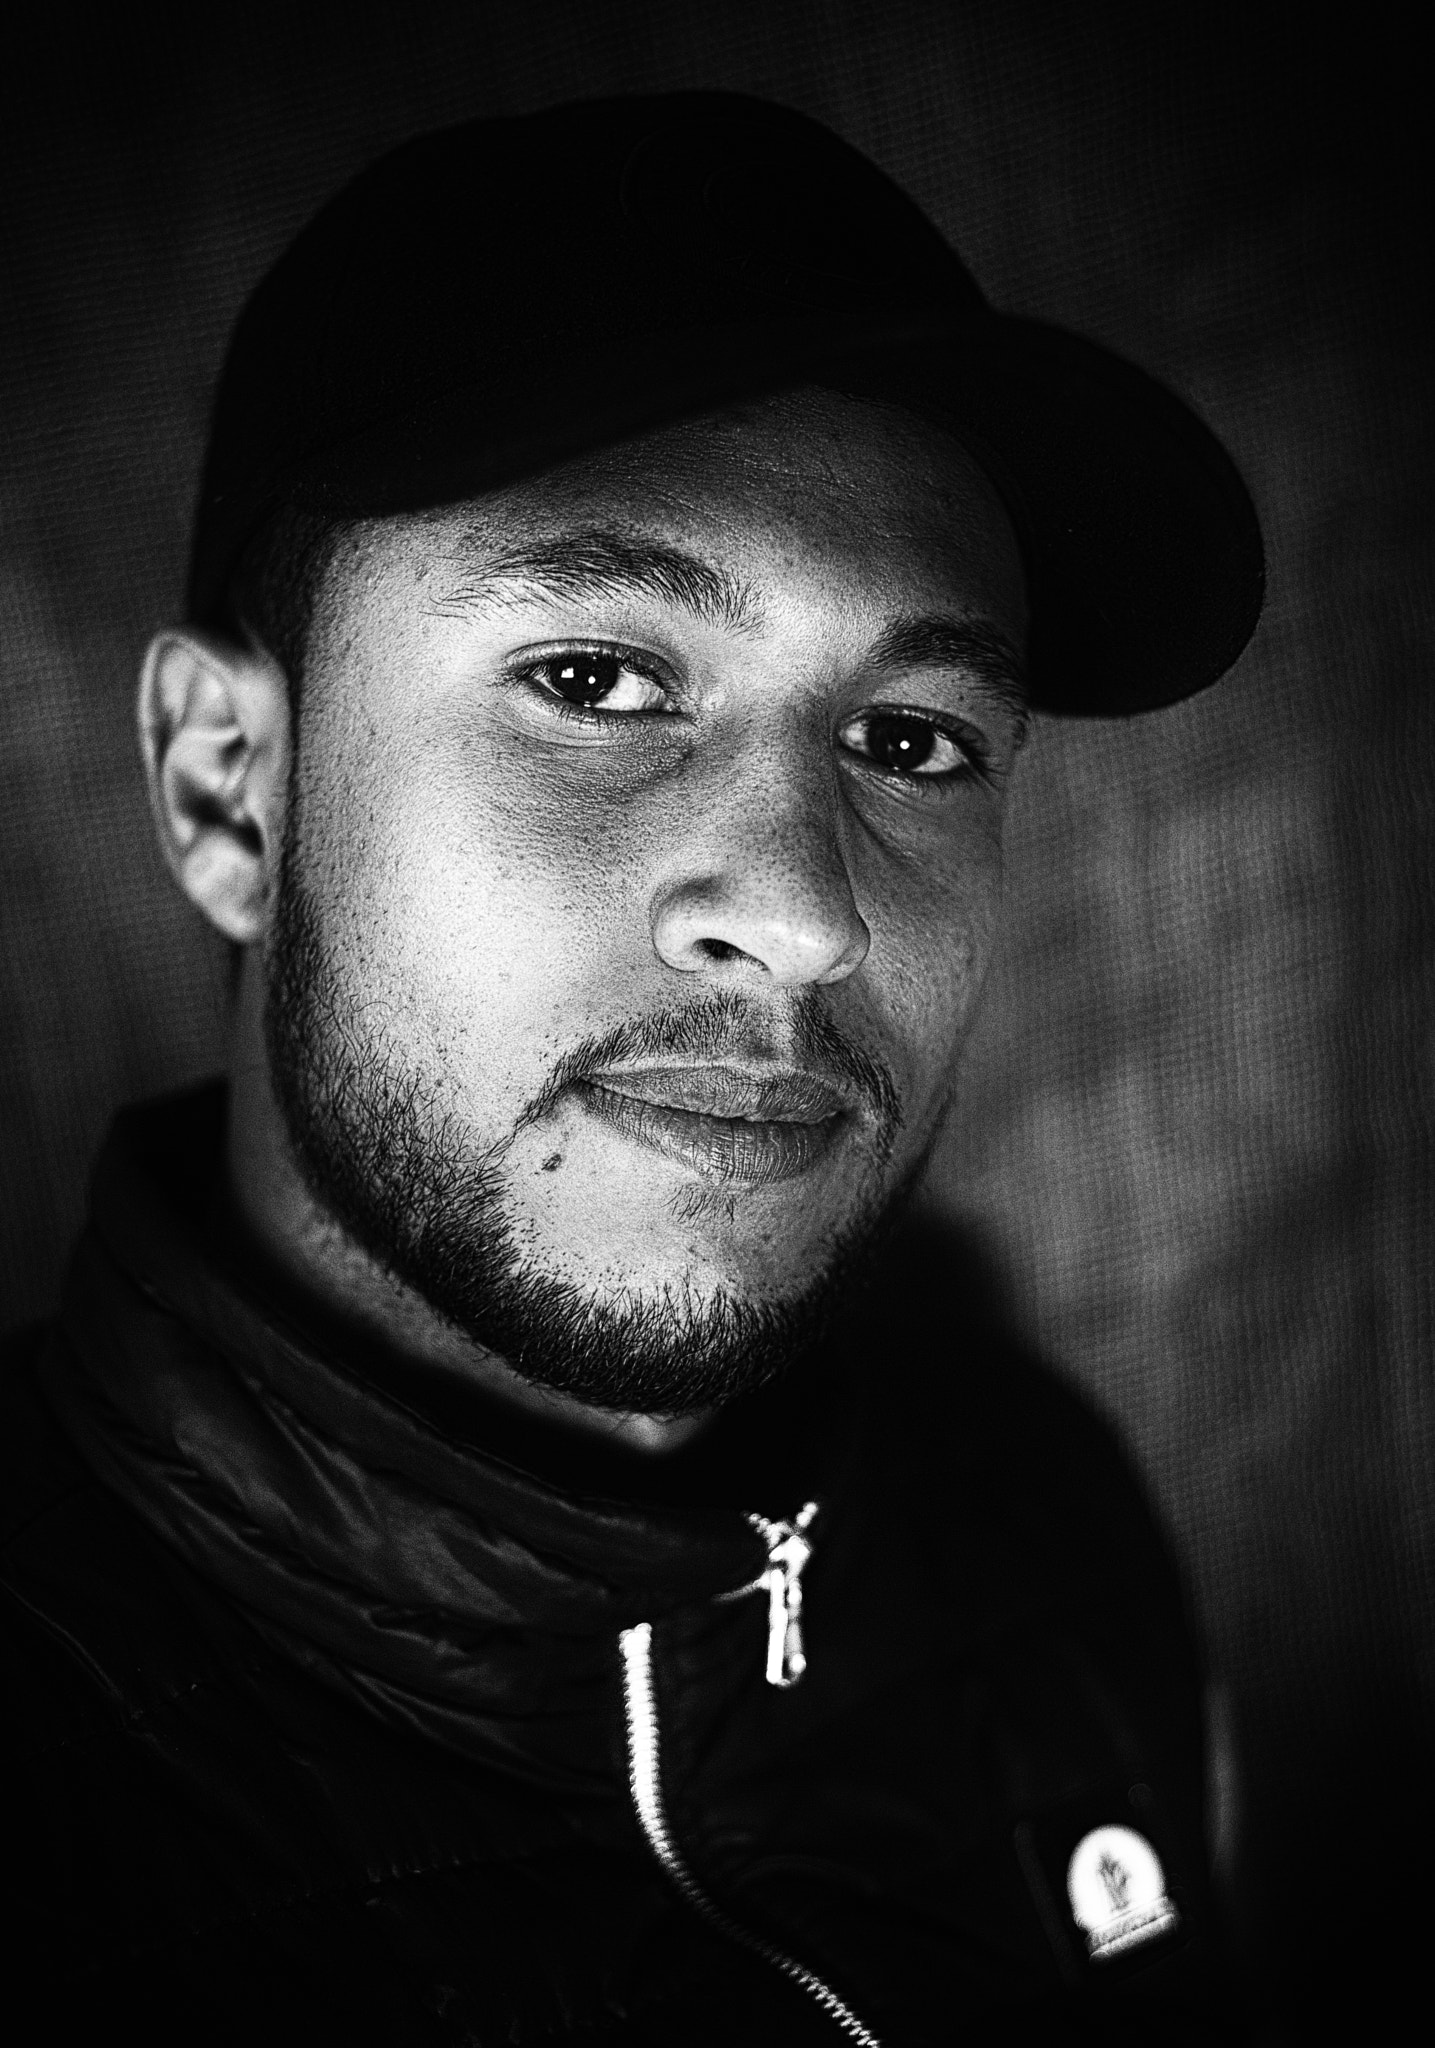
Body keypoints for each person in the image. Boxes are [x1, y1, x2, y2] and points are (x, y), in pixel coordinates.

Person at [0, 92, 1263, 2045]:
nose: (804, 914)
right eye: (594, 682)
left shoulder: (1041, 1516)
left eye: (913, 739)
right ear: (229, 788)